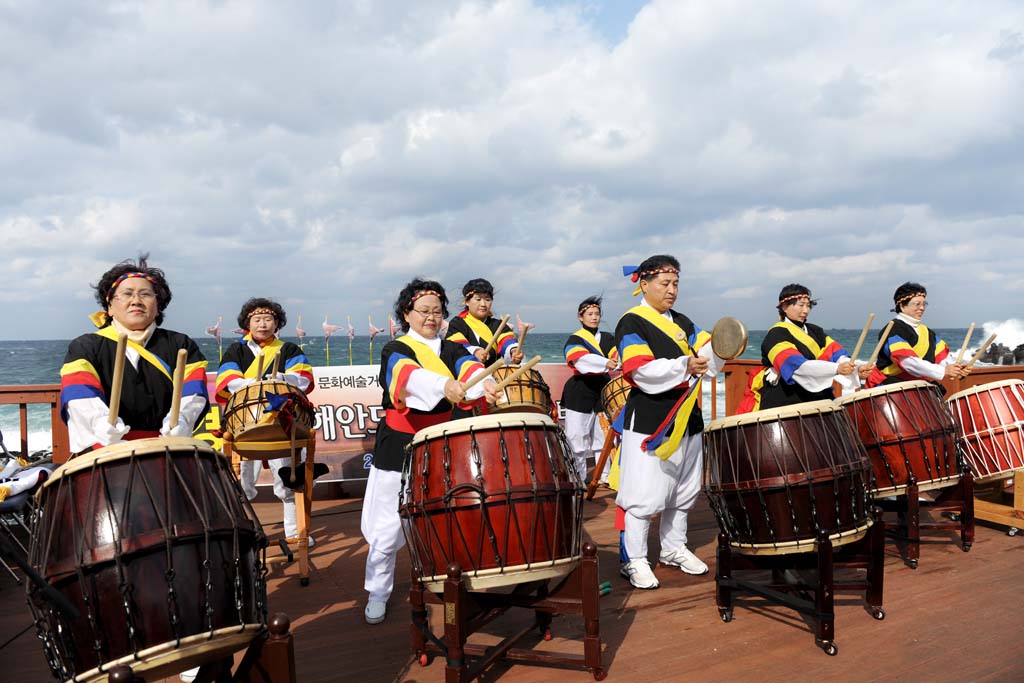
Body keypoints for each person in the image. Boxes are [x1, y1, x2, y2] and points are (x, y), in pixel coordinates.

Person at [362, 278, 498, 625]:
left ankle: (447, 579)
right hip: (400, 443)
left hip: (442, 442)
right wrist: (446, 385)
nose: (431, 318)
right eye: (423, 311)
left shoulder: (452, 348)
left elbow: (472, 369)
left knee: (447, 513)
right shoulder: (395, 349)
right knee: (387, 524)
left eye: (438, 312)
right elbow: (409, 378)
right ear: (407, 313)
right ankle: (378, 591)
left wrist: (488, 385)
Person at [614, 255, 726, 590]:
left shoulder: (683, 321)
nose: (672, 290)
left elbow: (710, 352)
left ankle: (673, 547)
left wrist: (722, 346)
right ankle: (634, 560)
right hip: (651, 420)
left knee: (683, 491)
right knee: (644, 494)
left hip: (688, 418)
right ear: (643, 284)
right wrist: (684, 366)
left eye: (676, 283)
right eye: (665, 283)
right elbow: (641, 371)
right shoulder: (631, 323)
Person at [59, 255, 209, 453]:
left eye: (145, 294)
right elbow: (78, 391)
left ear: (158, 306)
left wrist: (181, 419)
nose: (136, 301)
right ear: (110, 306)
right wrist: (100, 423)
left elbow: (193, 389)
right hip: (106, 450)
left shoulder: (180, 344)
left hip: (168, 448)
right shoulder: (86, 346)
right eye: (127, 294)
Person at [215, 297, 315, 547]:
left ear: (277, 323)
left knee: (289, 480)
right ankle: (247, 534)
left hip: (283, 422)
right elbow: (229, 380)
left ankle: (295, 532)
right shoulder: (236, 350)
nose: (263, 324)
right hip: (244, 424)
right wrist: (258, 385)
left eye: (268, 319)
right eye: (257, 319)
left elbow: (302, 378)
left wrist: (278, 379)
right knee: (243, 483)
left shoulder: (289, 349)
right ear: (247, 323)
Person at [737, 284, 873, 412]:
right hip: (786, 397)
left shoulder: (815, 331)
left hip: (816, 394)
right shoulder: (776, 335)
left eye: (808, 306)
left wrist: (856, 368)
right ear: (784, 307)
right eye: (801, 305)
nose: (805, 310)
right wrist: (836, 369)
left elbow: (836, 355)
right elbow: (796, 367)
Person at [866, 282, 970, 387]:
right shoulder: (893, 329)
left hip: (917, 388)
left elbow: (942, 358)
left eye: (924, 304)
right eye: (917, 304)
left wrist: (956, 368)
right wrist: (943, 371)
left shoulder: (927, 332)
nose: (922, 308)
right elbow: (907, 362)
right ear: (902, 306)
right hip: (891, 388)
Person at [562, 296, 619, 481]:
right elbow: (579, 360)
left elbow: (617, 356)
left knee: (602, 436)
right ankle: (577, 478)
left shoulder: (608, 338)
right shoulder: (575, 339)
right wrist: (606, 363)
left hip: (602, 389)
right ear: (581, 317)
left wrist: (614, 362)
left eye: (597, 314)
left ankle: (604, 475)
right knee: (576, 437)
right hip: (580, 390)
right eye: (590, 314)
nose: (594, 317)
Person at [445, 278, 525, 366]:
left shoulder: (499, 325)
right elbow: (456, 346)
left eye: (487, 299)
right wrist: (475, 351)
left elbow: (506, 340)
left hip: (493, 375)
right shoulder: (457, 324)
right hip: (467, 376)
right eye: (478, 299)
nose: (483, 304)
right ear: (467, 302)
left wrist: (513, 351)